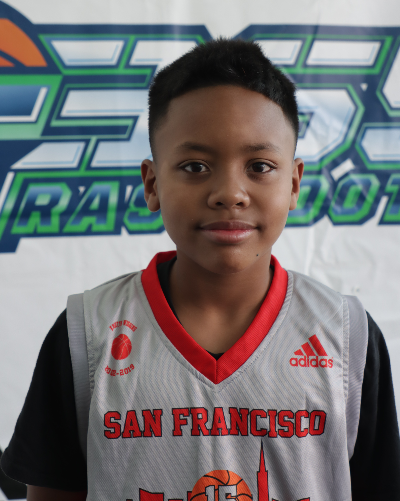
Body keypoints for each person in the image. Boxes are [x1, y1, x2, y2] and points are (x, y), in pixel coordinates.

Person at [2, 39, 399, 501]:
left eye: (259, 166)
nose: (230, 192)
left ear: (293, 184)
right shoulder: (85, 336)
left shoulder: (347, 337)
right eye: (195, 166)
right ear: (152, 184)